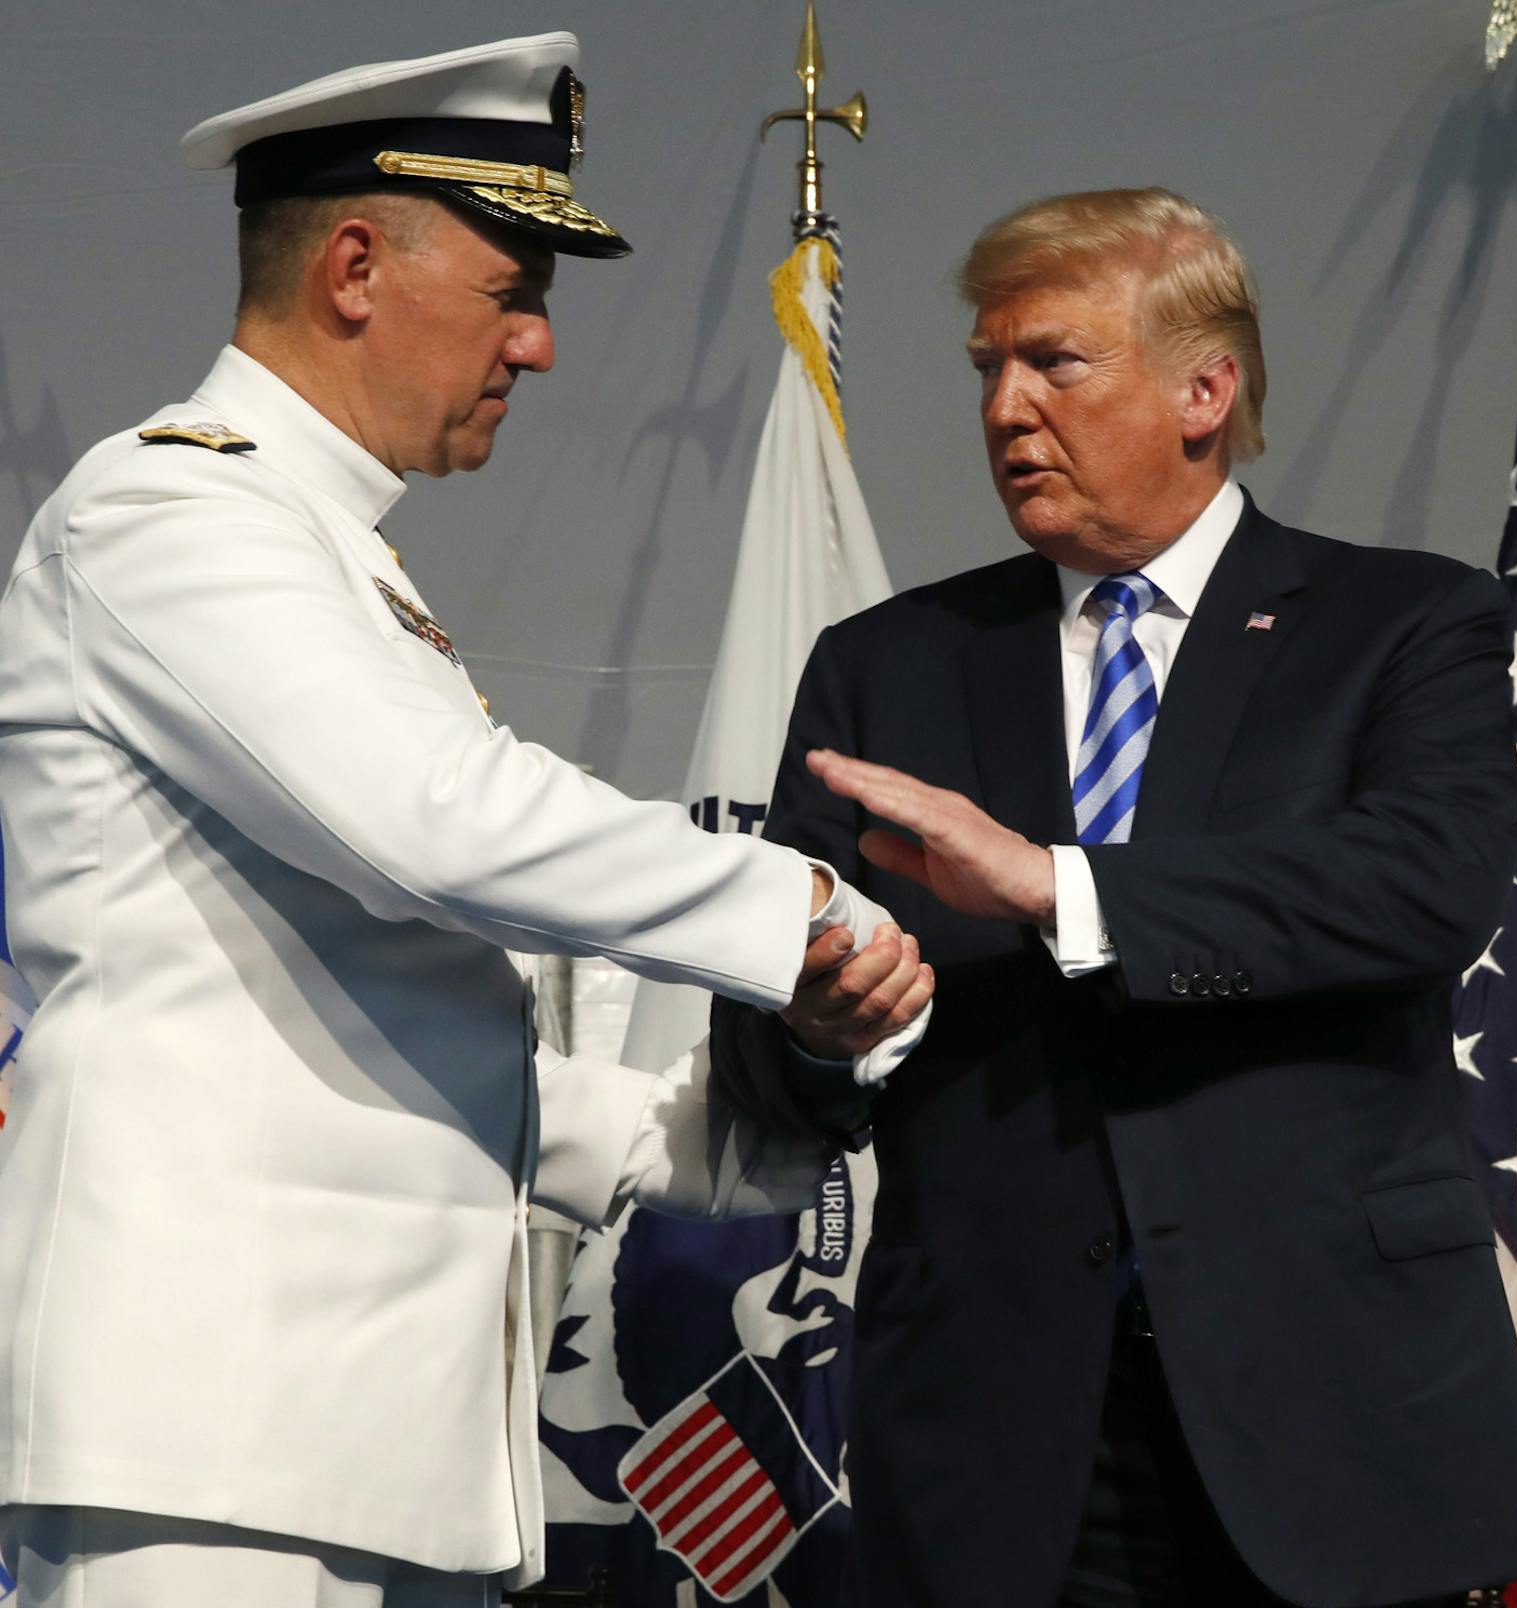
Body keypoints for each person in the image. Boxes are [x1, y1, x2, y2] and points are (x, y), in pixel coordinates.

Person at [0, 33, 925, 1608]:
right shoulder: (165, 515)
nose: (541, 345)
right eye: (517, 287)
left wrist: (720, 1119)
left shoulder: (337, 562)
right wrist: (805, 910)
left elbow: (359, 1018)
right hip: (211, 1456)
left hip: (373, 1457)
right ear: (356, 266)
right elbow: (437, 823)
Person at [710, 188, 1517, 1608]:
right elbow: (764, 1049)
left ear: (1204, 390)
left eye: (1055, 362)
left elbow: (1419, 891)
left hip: (1332, 1423)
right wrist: (819, 1028)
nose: (1004, 406)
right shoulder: (887, 668)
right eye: (988, 367)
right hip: (1004, 1444)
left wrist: (1061, 888)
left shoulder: (1406, 624)